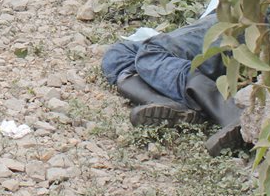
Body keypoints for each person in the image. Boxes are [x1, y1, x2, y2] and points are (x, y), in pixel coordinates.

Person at [102, 11, 245, 156]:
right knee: (118, 55)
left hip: (242, 17)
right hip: (228, 19)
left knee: (151, 51)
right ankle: (170, 104)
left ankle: (232, 113)